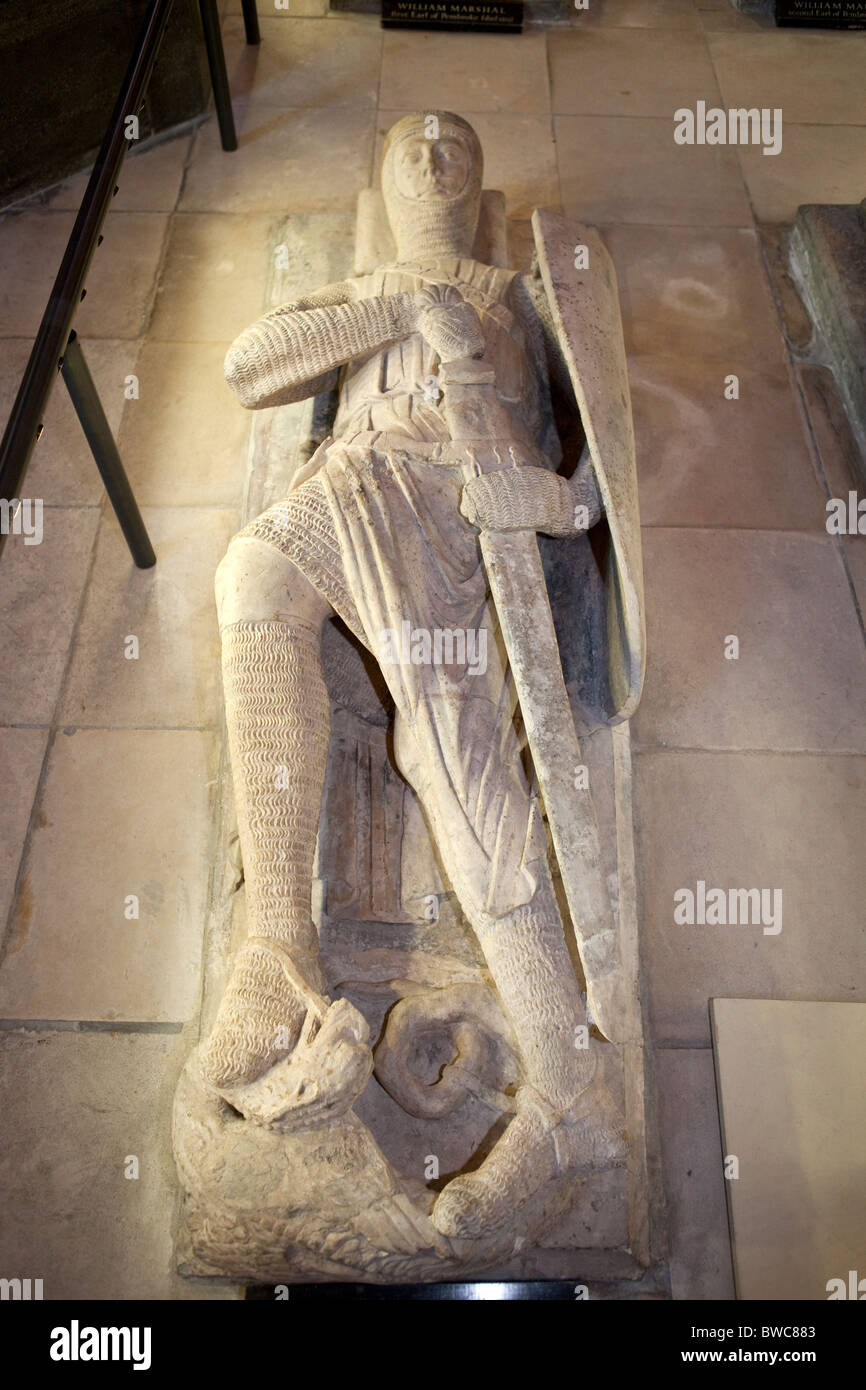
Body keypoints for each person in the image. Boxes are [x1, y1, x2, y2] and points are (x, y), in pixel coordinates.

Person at [202, 111, 624, 1239]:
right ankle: (279, 955)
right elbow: (247, 369)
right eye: (409, 145)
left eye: (454, 143)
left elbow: (601, 478)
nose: (432, 156)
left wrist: (546, 501)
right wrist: (393, 308)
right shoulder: (366, 287)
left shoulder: (520, 289)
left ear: (478, 180)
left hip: (453, 512)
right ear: (384, 182)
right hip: (349, 490)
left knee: (451, 764)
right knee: (250, 576)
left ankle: (572, 1094)